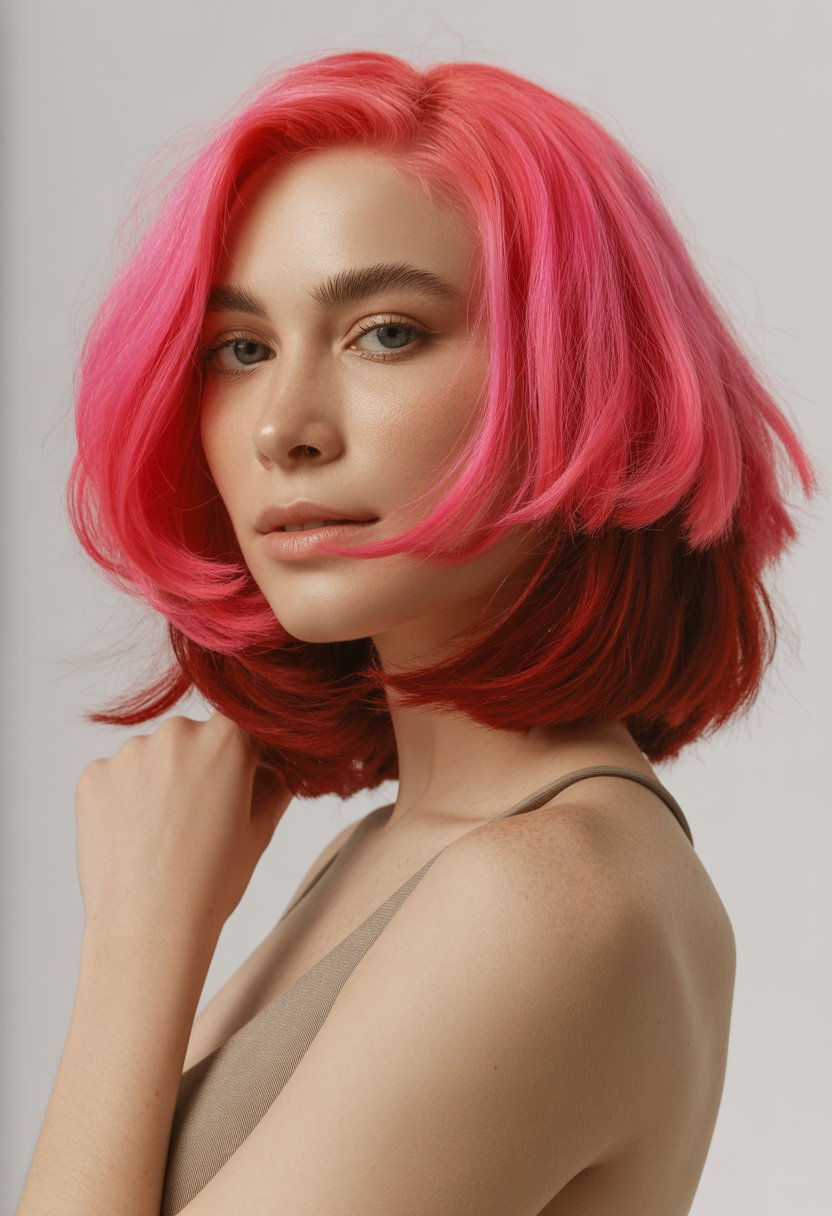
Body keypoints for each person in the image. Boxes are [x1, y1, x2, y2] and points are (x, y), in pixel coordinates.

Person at [17, 50, 816, 1216]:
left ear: (576, 382)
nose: (283, 425)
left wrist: (137, 947)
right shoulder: (405, 845)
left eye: (384, 332)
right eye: (241, 348)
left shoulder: (546, 897)